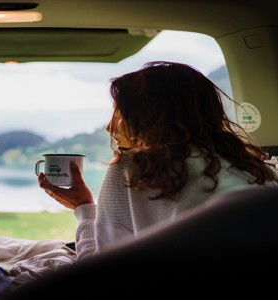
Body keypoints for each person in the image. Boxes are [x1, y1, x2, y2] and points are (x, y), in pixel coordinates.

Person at [38, 61, 278, 261]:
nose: (111, 126)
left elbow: (98, 271)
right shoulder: (254, 167)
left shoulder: (135, 167)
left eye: (118, 114)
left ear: (148, 117)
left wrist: (84, 208)